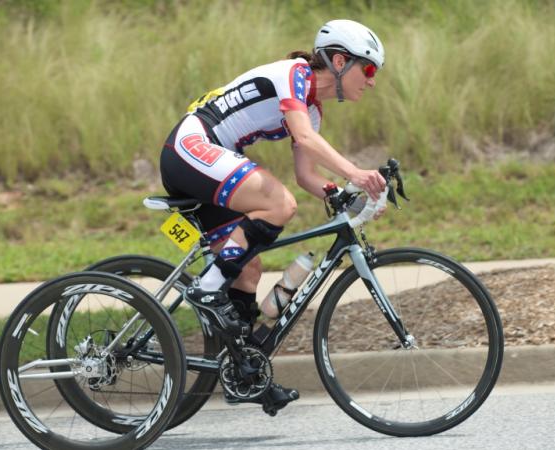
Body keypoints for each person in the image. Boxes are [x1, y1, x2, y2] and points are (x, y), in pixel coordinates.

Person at [159, 19, 387, 409]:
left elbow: (306, 175)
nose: (372, 81)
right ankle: (206, 288)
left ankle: (248, 376)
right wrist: (355, 173)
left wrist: (343, 195)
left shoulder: (312, 111)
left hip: (210, 159)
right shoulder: (293, 76)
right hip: (193, 145)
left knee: (248, 269)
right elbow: (303, 138)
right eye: (367, 70)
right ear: (338, 61)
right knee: (279, 206)